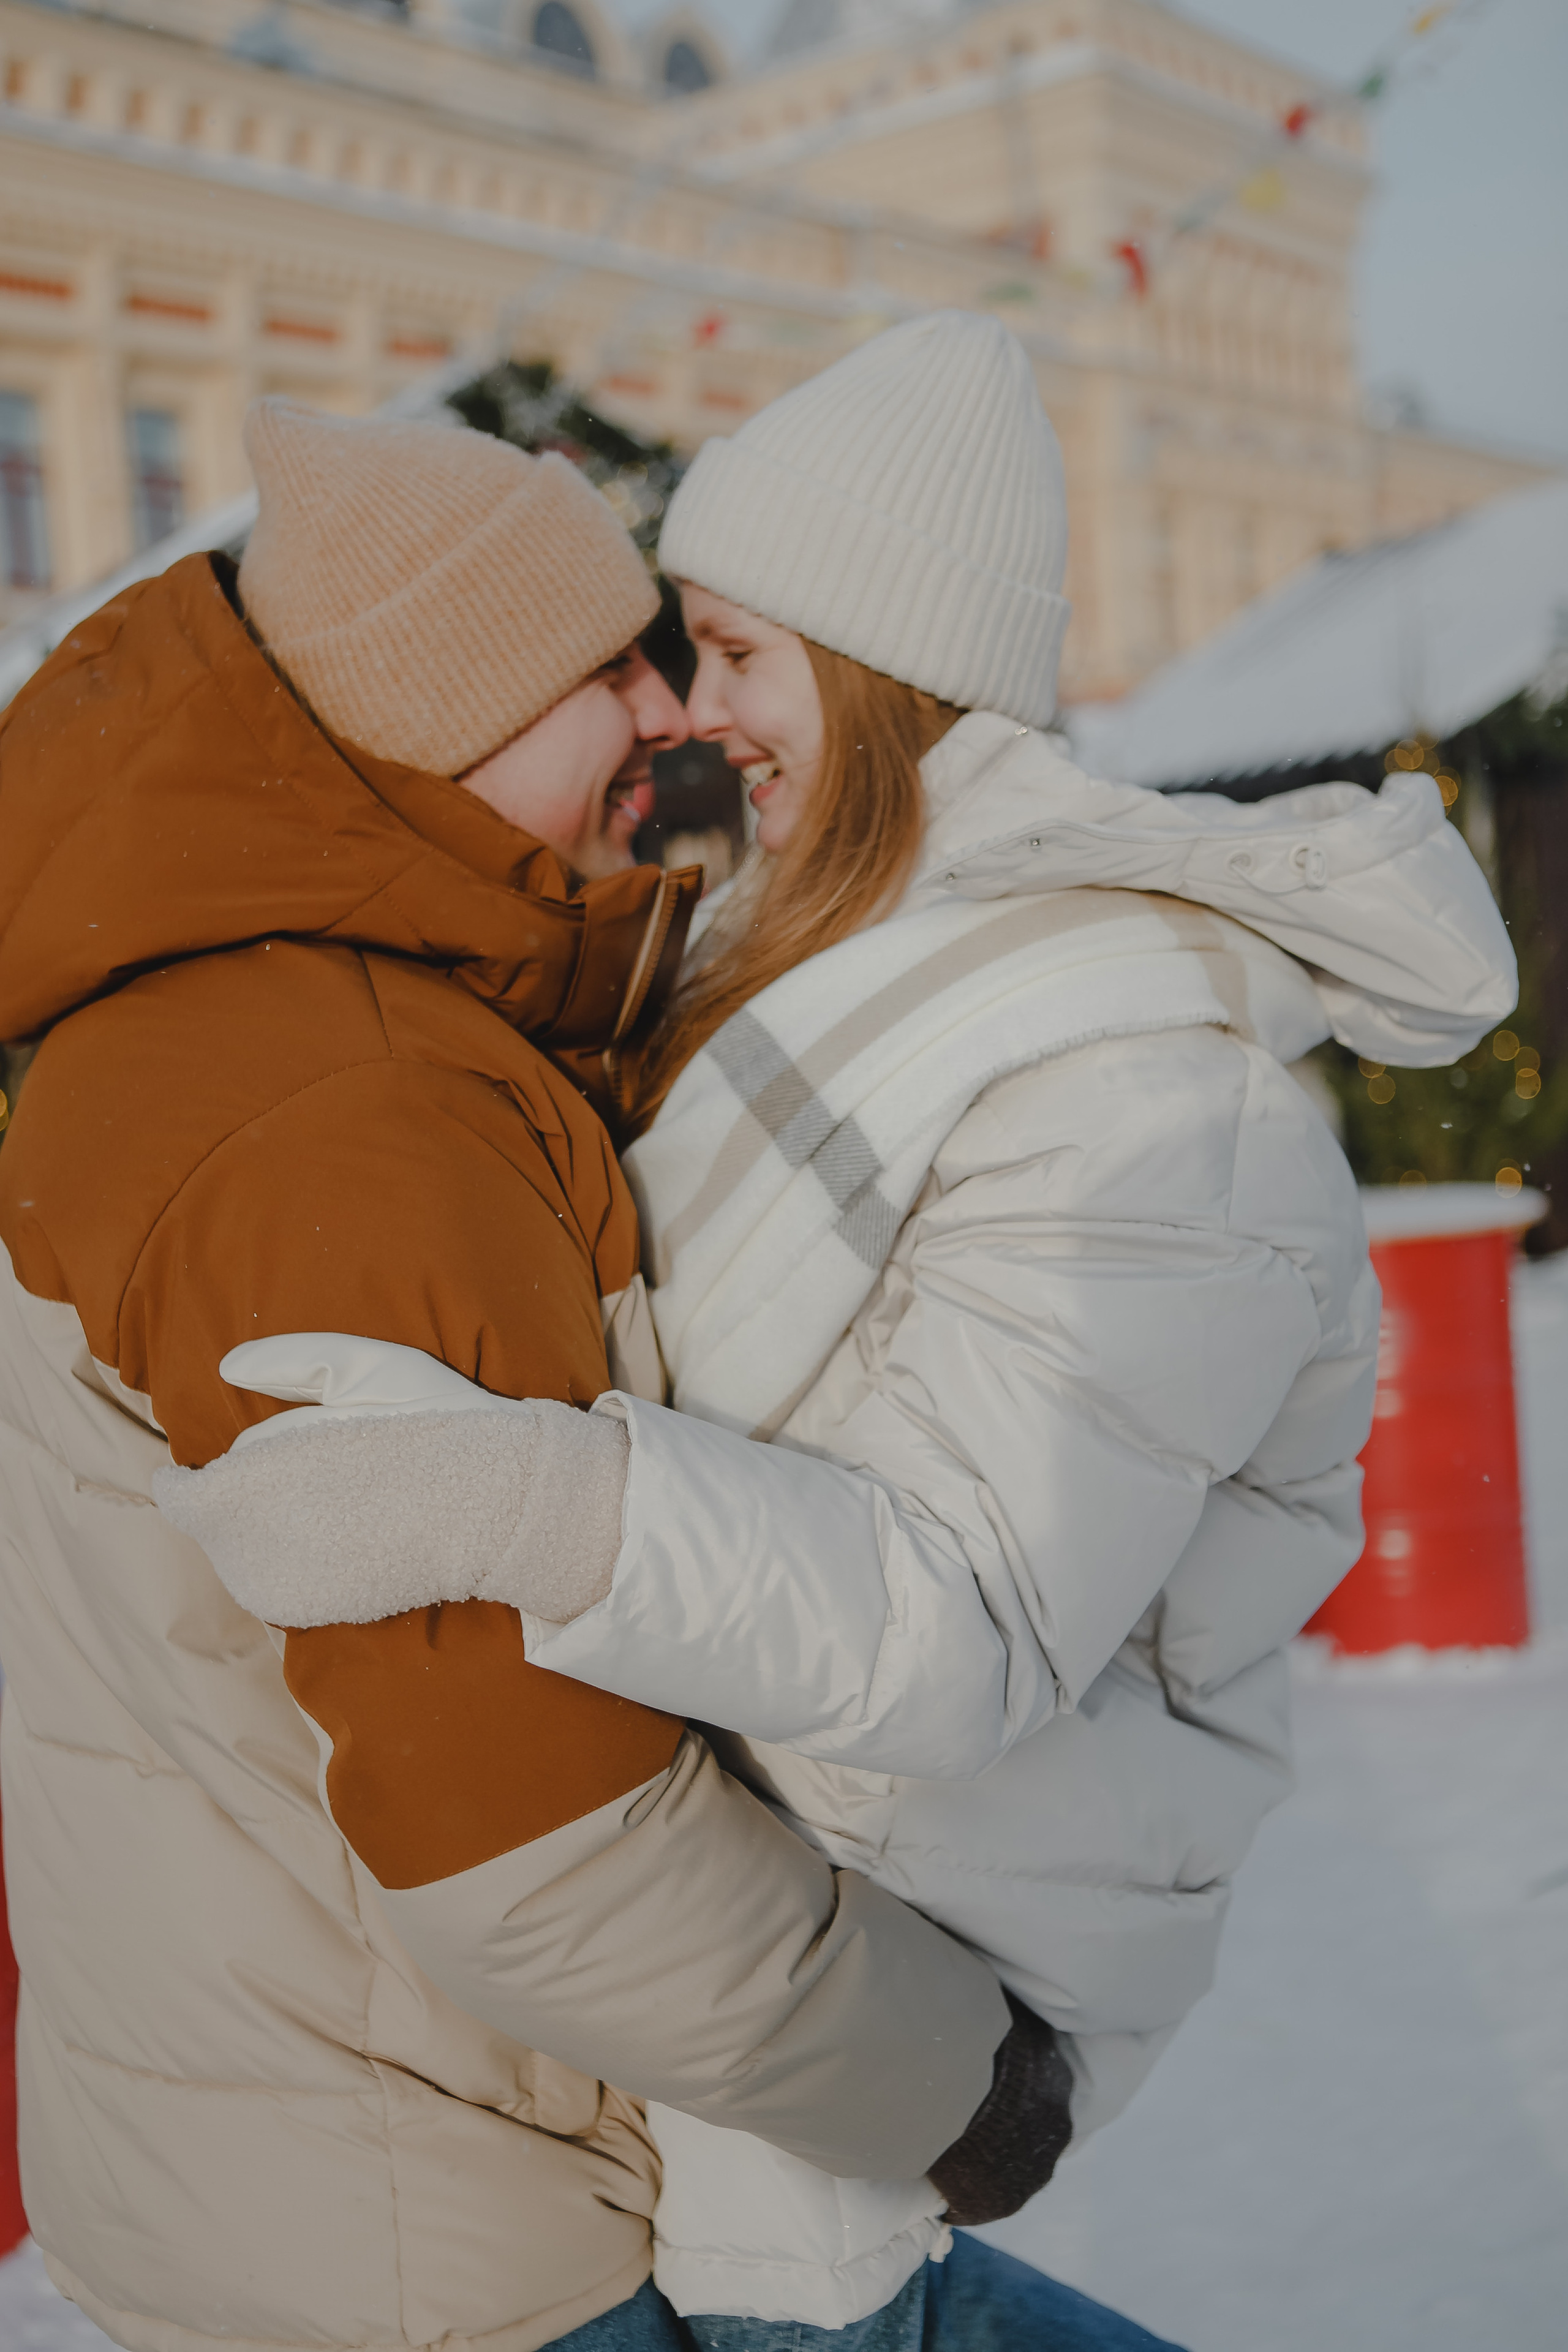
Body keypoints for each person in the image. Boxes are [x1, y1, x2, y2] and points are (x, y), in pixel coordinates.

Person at [169, 317, 1519, 2345]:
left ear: (884, 659)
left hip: (891, 1981)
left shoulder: (1155, 1089)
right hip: (726, 1951)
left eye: (735, 649)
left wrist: (521, 1503)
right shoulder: (780, 945)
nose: (692, 710)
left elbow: (964, 1621)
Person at [0, 397, 1081, 2352]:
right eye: (609, 672)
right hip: (442, 2239)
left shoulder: (203, 1017)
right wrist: (968, 2087)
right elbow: (537, 1858)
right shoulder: (350, 1113)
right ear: (446, 711)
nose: (671, 715)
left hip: (265, 2172)